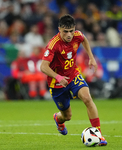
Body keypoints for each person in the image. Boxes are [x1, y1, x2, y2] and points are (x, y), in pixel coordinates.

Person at [40, 14, 107, 146]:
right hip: (57, 84)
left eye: (71, 31)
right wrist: (58, 77)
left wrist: (91, 57)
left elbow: (84, 40)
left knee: (87, 98)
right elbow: (43, 66)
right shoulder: (53, 45)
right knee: (67, 116)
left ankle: (98, 135)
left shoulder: (77, 35)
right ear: (59, 29)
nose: (69, 34)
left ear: (74, 28)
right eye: (65, 32)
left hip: (73, 75)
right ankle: (58, 119)